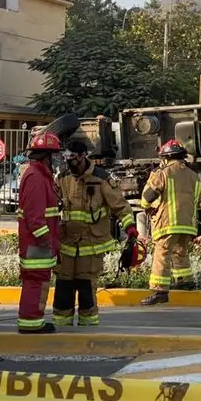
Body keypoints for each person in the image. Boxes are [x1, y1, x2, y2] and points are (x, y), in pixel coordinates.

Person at [55, 140, 139, 326]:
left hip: (91, 243)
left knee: (86, 285)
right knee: (63, 284)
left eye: (73, 158)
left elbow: (121, 206)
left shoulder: (101, 179)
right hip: (67, 243)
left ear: (83, 156)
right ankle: (62, 324)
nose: (69, 162)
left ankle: (88, 323)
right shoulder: (63, 178)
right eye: (66, 157)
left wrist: (130, 228)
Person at [138, 139, 200, 306]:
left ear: (166, 157)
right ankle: (185, 280)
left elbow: (148, 197)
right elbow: (197, 200)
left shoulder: (163, 173)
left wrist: (146, 206)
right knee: (180, 251)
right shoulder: (194, 176)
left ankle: (159, 290)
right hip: (187, 223)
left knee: (162, 253)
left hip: (167, 222)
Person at [16, 132, 62, 334]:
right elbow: (34, 216)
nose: (56, 160)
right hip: (37, 243)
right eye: (54, 156)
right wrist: (45, 239)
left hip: (40, 242)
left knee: (39, 281)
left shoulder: (41, 175)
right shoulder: (36, 177)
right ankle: (31, 322)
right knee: (35, 281)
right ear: (46, 156)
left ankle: (35, 319)